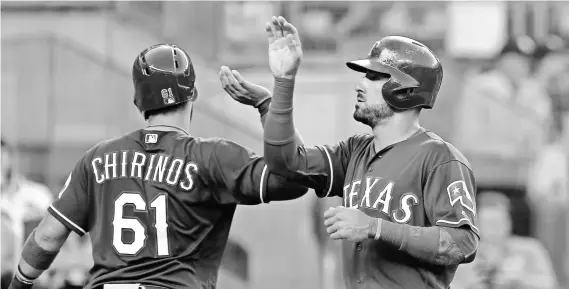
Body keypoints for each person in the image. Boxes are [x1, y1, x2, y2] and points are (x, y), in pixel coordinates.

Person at [8, 44, 310, 289]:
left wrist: (19, 284)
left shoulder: (97, 157)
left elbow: (47, 236)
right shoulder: (213, 156)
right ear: (192, 94)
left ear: (139, 101)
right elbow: (295, 179)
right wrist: (267, 105)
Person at [221, 16, 479, 288]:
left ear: (406, 90)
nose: (360, 84)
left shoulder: (440, 158)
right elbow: (287, 164)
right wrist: (279, 90)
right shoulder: (354, 151)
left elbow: (462, 244)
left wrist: (375, 227)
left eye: (375, 77)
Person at [451, 191, 557, 289]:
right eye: (488, 223)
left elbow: (550, 284)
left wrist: (520, 279)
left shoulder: (531, 249)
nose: (493, 229)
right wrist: (469, 284)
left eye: (497, 222)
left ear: (508, 222)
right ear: (477, 225)